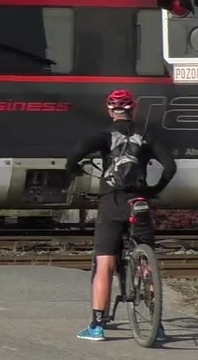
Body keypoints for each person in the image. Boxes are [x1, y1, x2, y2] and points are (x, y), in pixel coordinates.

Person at [65, 88, 176, 342]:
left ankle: (96, 326)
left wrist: (73, 169)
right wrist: (153, 190)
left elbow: (76, 153)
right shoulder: (147, 136)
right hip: (139, 202)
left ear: (109, 110)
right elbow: (170, 166)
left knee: (104, 263)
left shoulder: (104, 135)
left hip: (112, 202)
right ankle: (156, 325)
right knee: (146, 262)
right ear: (133, 108)